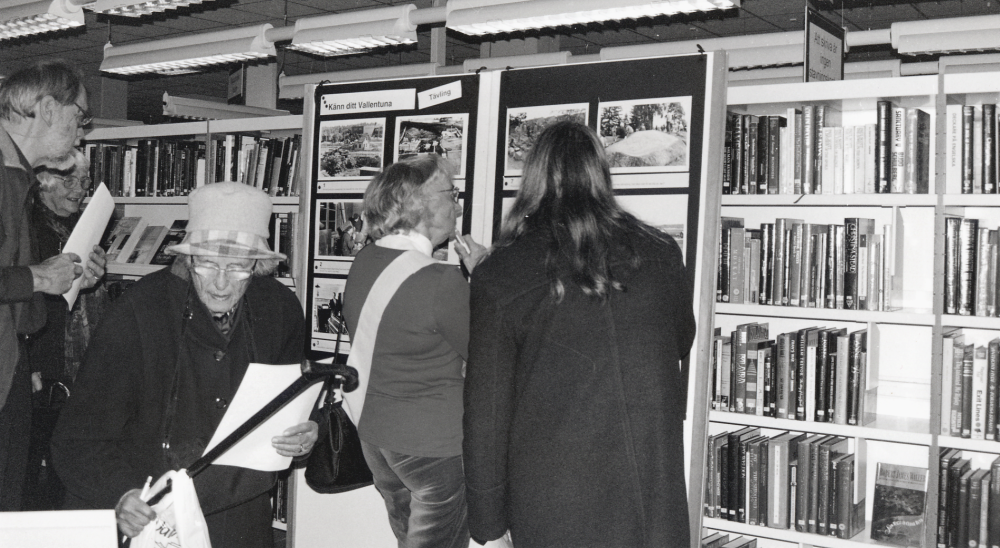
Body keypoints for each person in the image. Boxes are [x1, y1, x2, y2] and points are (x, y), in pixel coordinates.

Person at [463, 121, 696, 548]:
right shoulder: (662, 252)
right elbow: (680, 341)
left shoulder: (500, 273)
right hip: (650, 493)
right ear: (600, 172)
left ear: (532, 178)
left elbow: (486, 416)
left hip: (555, 502)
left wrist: (488, 527)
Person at [51, 181, 318, 548]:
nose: (221, 285)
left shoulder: (280, 310)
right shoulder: (137, 314)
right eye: (207, 264)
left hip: (241, 517)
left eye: (238, 269)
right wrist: (121, 494)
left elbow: (290, 404)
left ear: (259, 266)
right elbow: (77, 439)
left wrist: (303, 434)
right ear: (187, 258)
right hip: (156, 516)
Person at [341, 155, 485, 548]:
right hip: (433, 449)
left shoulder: (365, 260)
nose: (457, 204)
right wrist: (486, 276)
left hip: (376, 438)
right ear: (419, 205)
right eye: (450, 193)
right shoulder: (440, 281)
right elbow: (488, 353)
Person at [0, 60, 106, 511]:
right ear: (46, 108)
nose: (81, 133)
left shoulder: (15, 176)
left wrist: (54, 280)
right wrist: (38, 276)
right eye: (79, 117)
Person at [24, 150, 110, 510]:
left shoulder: (76, 229)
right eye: (69, 180)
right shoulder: (29, 229)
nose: (80, 190)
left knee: (69, 464)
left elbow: (76, 300)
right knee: (29, 468)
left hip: (73, 368)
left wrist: (92, 278)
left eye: (85, 182)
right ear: (43, 184)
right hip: (38, 362)